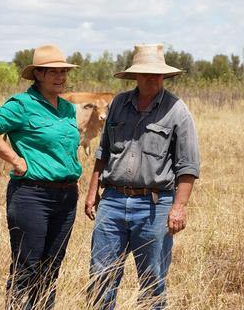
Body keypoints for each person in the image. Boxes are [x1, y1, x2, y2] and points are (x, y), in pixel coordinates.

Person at [84, 43, 201, 309]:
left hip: (154, 205)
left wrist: (178, 208)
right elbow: (103, 152)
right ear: (135, 75)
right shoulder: (118, 104)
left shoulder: (177, 110)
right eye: (146, 72)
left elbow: (188, 166)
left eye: (157, 73)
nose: (152, 78)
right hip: (112, 201)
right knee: (101, 275)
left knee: (153, 279)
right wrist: (93, 192)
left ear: (164, 75)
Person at [0, 44, 81, 310]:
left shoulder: (67, 109)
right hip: (32, 194)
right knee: (27, 265)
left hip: (67, 196)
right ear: (38, 75)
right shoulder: (22, 105)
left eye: (63, 71)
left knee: (52, 265)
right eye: (52, 72)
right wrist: (14, 159)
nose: (60, 77)